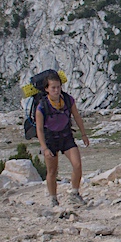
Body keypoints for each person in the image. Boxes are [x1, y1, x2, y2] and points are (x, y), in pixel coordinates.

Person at [35, 71, 90, 207]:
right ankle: (53, 199)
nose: (56, 90)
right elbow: (40, 129)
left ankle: (75, 193)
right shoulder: (41, 106)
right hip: (50, 139)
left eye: (58, 87)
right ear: (46, 89)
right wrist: (44, 148)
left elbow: (77, 116)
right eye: (53, 87)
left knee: (77, 164)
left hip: (66, 136)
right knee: (52, 171)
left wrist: (83, 134)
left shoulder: (67, 99)